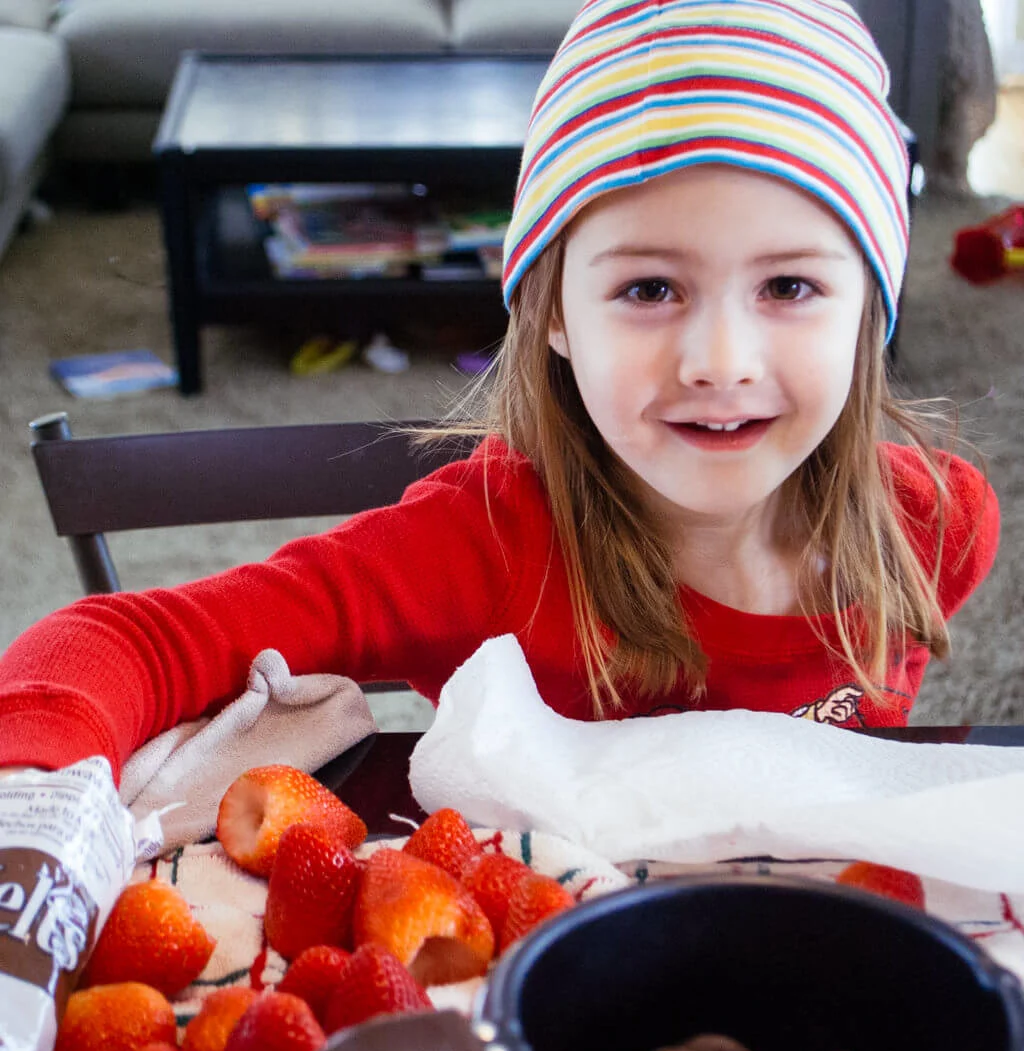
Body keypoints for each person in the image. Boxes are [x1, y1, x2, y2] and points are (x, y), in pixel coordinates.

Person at [0, 0, 1000, 783]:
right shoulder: (476, 544)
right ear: (553, 313)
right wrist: (36, 797)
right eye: (649, 287)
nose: (719, 361)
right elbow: (115, 638)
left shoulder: (936, 524)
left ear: (868, 307)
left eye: (789, 285)